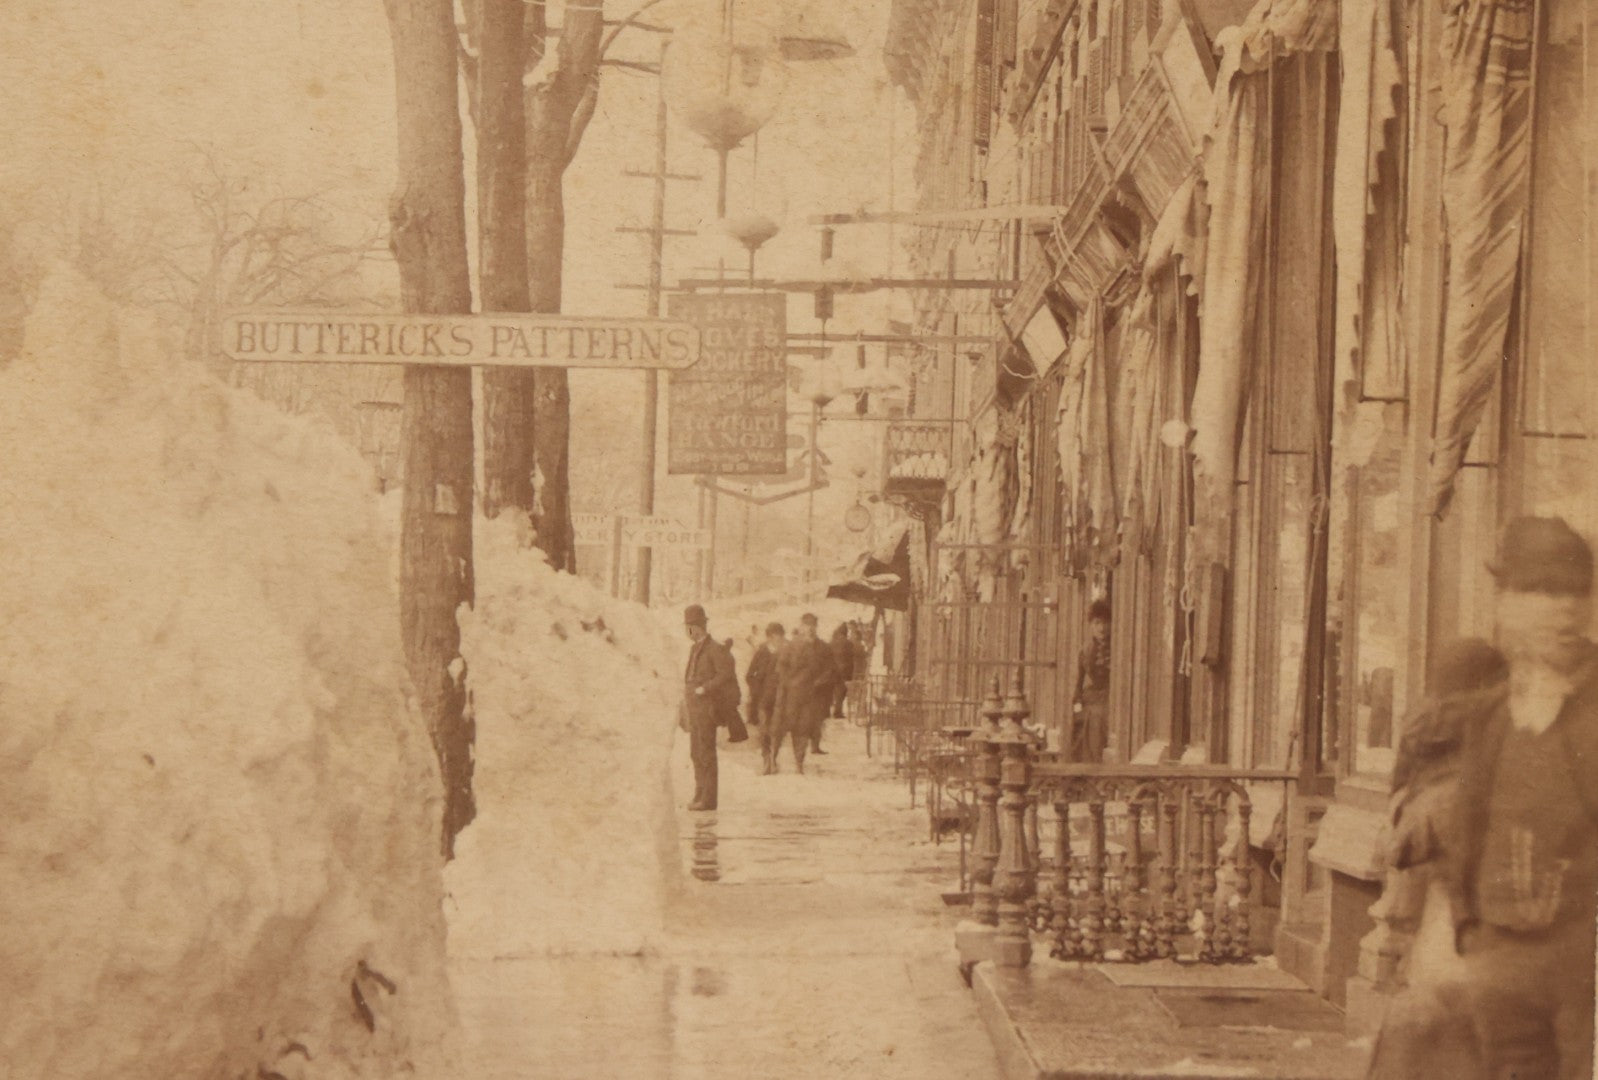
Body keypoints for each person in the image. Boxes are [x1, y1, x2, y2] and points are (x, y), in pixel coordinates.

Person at [1420, 516, 1597, 1080]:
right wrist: (1466, 926)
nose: (1559, 611)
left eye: (1572, 594)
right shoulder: (1494, 714)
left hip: (1583, 958)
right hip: (1500, 954)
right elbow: (1467, 826)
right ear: (1508, 606)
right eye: (1539, 593)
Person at [1366, 637, 1508, 1080]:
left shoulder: (1421, 734)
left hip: (1422, 909)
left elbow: (1395, 832)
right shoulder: (1490, 737)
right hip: (1469, 917)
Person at [681, 604, 736, 812]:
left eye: (689, 627)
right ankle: (700, 792)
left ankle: (709, 798)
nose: (687, 631)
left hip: (707, 709)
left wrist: (705, 688)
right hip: (695, 710)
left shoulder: (715, 649)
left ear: (697, 627)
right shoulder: (694, 649)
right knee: (696, 753)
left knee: (706, 753)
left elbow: (725, 675)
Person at [771, 613, 835, 774]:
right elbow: (781, 667)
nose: (810, 629)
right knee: (780, 728)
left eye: (813, 625)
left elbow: (830, 669)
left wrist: (818, 682)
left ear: (816, 627)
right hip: (789, 696)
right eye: (807, 625)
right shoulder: (790, 646)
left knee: (803, 729)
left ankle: (799, 763)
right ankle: (772, 758)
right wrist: (788, 683)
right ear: (801, 627)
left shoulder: (823, 648)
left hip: (810, 697)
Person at [1071, 599, 1111, 762]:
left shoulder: (1116, 647)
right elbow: (1078, 685)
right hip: (1091, 698)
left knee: (1098, 718)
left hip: (1110, 698)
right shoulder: (1085, 650)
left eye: (1105, 623)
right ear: (1091, 625)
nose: (1101, 628)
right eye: (1097, 623)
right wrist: (1077, 707)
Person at [747, 622, 785, 773]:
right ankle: (766, 759)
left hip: (780, 698)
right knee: (764, 730)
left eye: (781, 636)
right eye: (776, 636)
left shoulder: (785, 652)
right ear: (770, 637)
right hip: (764, 699)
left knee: (777, 730)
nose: (779, 639)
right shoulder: (761, 652)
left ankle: (774, 759)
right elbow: (749, 675)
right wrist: (757, 691)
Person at [828, 623, 856, 721]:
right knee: (841, 691)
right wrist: (850, 674)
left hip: (832, 671)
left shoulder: (832, 642)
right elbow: (851, 659)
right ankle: (837, 712)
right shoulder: (848, 643)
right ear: (845, 632)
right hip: (843, 671)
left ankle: (828, 711)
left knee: (832, 691)